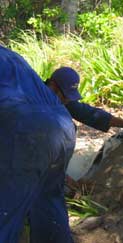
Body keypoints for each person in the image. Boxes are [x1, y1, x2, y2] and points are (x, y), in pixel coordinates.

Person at [0, 46, 76, 242]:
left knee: (5, 209)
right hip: (63, 126)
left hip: (26, 132)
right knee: (48, 201)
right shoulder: (9, 55)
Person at [46, 66, 123, 133]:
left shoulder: (63, 101)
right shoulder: (34, 95)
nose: (67, 100)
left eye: (69, 97)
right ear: (52, 85)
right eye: (65, 95)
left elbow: (89, 113)